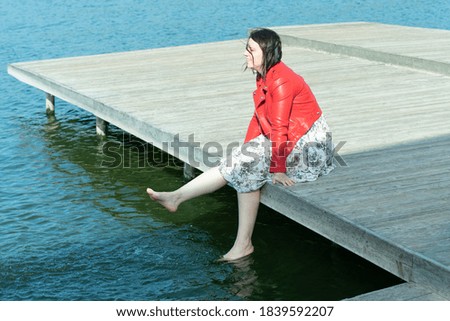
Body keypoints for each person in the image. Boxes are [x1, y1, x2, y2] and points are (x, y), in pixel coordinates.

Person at [147, 28, 335, 261]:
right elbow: (258, 118)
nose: (245, 54)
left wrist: (278, 169)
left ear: (266, 53)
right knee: (240, 160)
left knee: (247, 166)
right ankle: (177, 197)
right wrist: (246, 149)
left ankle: (242, 244)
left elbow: (280, 129)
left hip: (309, 145)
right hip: (287, 138)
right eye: (246, 48)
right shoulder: (264, 75)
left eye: (251, 50)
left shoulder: (282, 81)